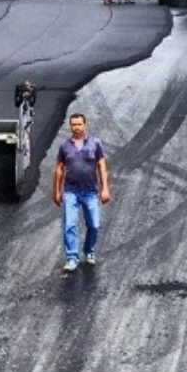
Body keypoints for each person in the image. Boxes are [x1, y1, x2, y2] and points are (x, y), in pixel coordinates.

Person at [53, 113, 110, 273]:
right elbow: (59, 169)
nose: (76, 127)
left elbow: (101, 166)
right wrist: (56, 191)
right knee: (70, 225)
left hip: (90, 192)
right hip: (71, 191)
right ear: (70, 126)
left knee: (94, 225)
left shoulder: (95, 143)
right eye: (73, 125)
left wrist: (105, 188)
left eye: (79, 124)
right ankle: (72, 257)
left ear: (85, 125)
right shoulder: (64, 145)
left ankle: (89, 250)